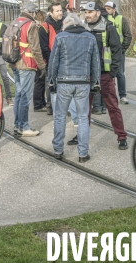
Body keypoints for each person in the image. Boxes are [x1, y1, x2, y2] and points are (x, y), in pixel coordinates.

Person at [48, 13, 100, 162]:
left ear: (66, 25)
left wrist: (51, 82)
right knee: (83, 118)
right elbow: (96, 62)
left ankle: (58, 150)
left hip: (64, 82)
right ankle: (83, 154)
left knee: (60, 116)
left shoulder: (60, 37)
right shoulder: (90, 38)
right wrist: (95, 82)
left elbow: (53, 63)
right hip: (83, 83)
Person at [76, 0, 127, 150]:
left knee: (112, 106)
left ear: (98, 12)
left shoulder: (108, 28)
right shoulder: (82, 28)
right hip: (87, 75)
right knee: (84, 108)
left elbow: (117, 50)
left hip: (105, 75)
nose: (88, 15)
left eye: (90, 12)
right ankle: (82, 135)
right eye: (86, 12)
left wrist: (113, 72)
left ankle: (121, 136)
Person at [10, 1, 46, 137]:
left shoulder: (15, 22)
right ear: (33, 13)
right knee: (25, 96)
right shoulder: (31, 25)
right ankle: (24, 126)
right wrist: (42, 66)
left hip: (14, 63)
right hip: (27, 64)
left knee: (19, 95)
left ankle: (17, 125)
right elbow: (36, 48)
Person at [104, 1, 132, 104]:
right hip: (107, 51)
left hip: (118, 51)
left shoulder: (122, 19)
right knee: (108, 74)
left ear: (114, 9)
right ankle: (108, 97)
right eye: (106, 8)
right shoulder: (105, 19)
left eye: (109, 8)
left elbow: (128, 35)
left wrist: (123, 49)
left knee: (120, 73)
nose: (107, 10)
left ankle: (123, 95)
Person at [39, 2, 63, 116]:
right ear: (51, 13)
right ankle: (50, 107)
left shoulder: (64, 23)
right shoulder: (45, 26)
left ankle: (61, 105)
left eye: (61, 10)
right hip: (51, 59)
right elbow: (43, 47)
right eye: (57, 11)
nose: (60, 13)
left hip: (63, 59)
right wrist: (50, 59)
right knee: (50, 83)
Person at [33, 10, 47, 112]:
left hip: (37, 58)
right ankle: (38, 104)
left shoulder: (36, 27)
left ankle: (41, 102)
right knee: (39, 81)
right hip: (39, 59)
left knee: (40, 81)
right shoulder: (39, 28)